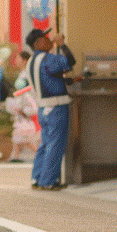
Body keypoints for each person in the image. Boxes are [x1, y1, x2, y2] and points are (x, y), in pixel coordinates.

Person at [24, 28, 76, 190]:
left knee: (45, 144)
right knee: (55, 144)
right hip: (56, 107)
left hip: (43, 109)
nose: (50, 41)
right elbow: (69, 62)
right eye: (46, 39)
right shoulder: (47, 59)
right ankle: (48, 181)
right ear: (39, 43)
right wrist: (62, 45)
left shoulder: (32, 61)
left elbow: (52, 78)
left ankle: (37, 177)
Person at [4, 51, 39, 163]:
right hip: (24, 107)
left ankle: (38, 154)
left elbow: (29, 90)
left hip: (28, 107)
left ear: (24, 60)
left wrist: (19, 101)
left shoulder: (28, 73)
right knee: (19, 134)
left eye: (18, 58)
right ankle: (15, 156)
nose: (16, 61)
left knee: (24, 136)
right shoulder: (24, 73)